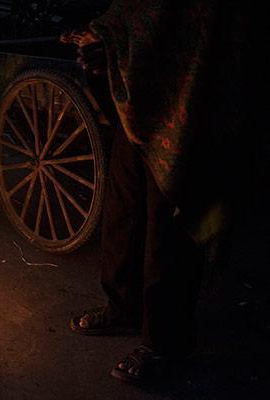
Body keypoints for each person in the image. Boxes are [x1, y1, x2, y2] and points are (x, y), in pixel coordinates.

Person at [61, 0, 253, 385]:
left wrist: (111, 38)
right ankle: (123, 304)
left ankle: (164, 341)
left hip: (188, 100)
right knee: (123, 208)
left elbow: (175, 21)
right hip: (140, 101)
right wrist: (108, 39)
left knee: (169, 229)